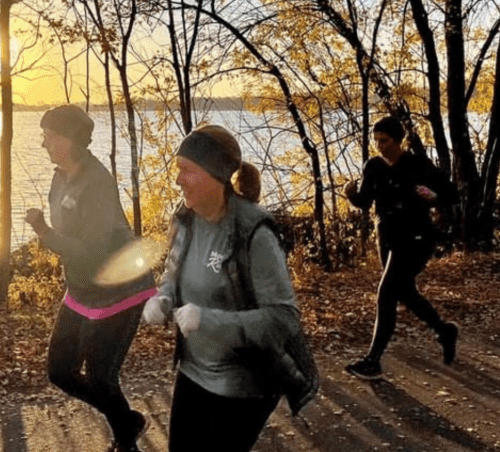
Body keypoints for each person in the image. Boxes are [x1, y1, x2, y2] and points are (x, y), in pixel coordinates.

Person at [142, 125, 317, 452]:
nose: (178, 179)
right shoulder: (184, 218)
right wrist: (164, 297)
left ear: (216, 175)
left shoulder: (254, 232)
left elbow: (282, 320)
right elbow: (174, 272)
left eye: (187, 170)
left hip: (247, 382)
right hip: (194, 370)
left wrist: (208, 320)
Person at [25, 105, 156, 452]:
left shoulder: (97, 183)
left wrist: (44, 232)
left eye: (51, 137)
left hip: (122, 288)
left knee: (100, 376)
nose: (44, 144)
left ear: (73, 140)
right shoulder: (61, 175)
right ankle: (128, 421)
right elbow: (74, 247)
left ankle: (126, 441)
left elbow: (90, 251)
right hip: (83, 287)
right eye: (44, 136)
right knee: (60, 371)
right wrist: (50, 235)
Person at [343, 116, 459, 380]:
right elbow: (364, 201)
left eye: (384, 141)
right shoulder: (373, 166)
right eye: (376, 141)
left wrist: (425, 193)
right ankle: (443, 330)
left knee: (386, 293)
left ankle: (373, 361)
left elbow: (447, 195)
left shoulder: (417, 164)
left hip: (417, 237)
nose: (379, 146)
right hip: (387, 238)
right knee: (404, 293)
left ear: (399, 140)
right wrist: (351, 194)